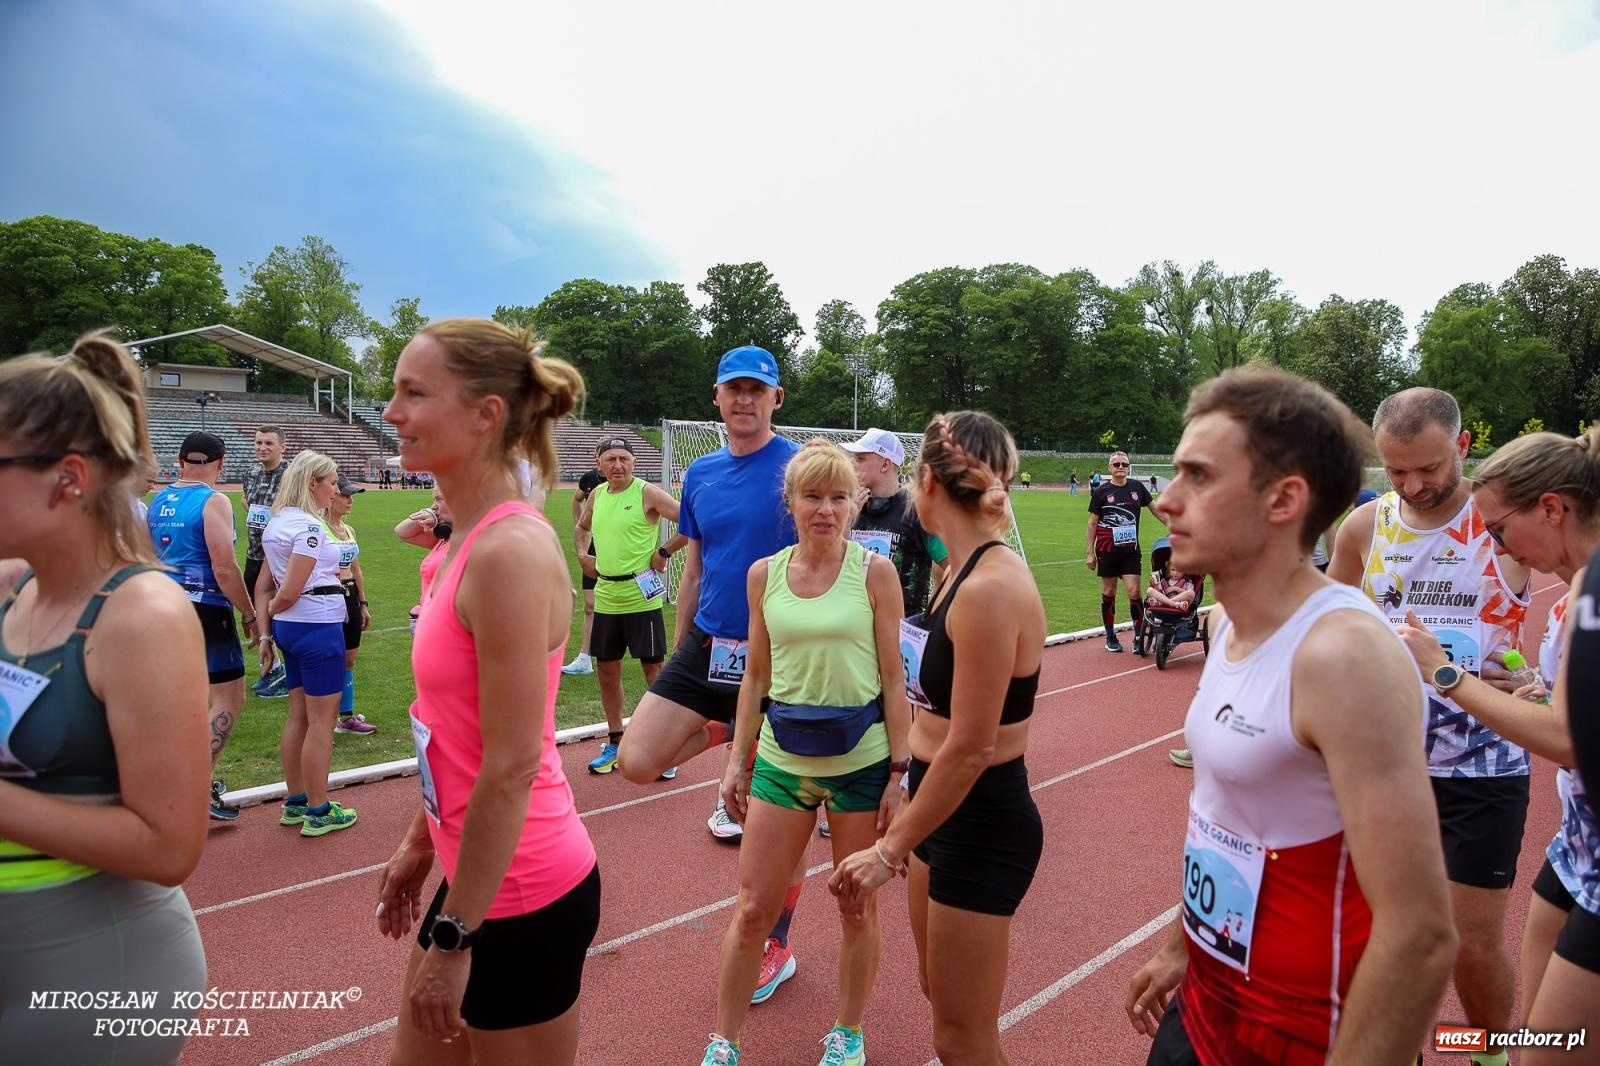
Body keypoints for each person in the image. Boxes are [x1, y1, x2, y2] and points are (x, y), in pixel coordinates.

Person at [1124, 366, 1457, 1065]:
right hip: (1209, 998)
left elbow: (1421, 933)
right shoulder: (1229, 625)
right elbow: (1227, 818)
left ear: (1284, 499)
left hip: (1308, 1029)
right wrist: (1180, 943)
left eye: (1198, 477)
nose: (1165, 501)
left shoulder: (1342, 656)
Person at [375, 318, 598, 1066]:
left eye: (413, 392)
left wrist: (454, 934)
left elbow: (509, 764)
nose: (391, 411)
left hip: (522, 892)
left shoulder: (509, 550)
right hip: (473, 873)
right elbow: (451, 728)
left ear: (485, 415)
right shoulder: (458, 545)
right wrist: (417, 842)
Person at [0, 331, 209, 1063]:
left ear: (67, 479)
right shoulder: (11, 589)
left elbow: (169, 844)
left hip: (94, 966)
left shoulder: (140, 617)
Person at [830, 411, 1046, 1066]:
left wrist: (888, 850)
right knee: (936, 995)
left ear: (926, 480)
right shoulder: (958, 568)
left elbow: (974, 745)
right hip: (938, 804)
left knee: (962, 1036)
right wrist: (903, 783)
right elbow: (935, 715)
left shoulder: (990, 587)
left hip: (980, 817)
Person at [1327, 388, 1532, 1058]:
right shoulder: (1364, 527)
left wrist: (1539, 676)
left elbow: (1577, 591)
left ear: (1463, 447)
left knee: (1471, 944)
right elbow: (1330, 621)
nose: (1414, 485)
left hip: (1484, 762)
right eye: (1397, 471)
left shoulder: (1508, 522)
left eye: (1430, 468)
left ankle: (1489, 1050)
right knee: (1378, 933)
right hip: (1385, 763)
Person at [1388, 429, 1600, 1064]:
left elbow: (1571, 741)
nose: (1498, 547)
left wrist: (1445, 675)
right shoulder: (1575, 595)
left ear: (1553, 509)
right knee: (1537, 1034)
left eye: (1501, 530)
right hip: (1577, 848)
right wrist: (1538, 690)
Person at [702, 440, 911, 1066]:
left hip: (863, 763)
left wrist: (899, 773)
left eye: (838, 497)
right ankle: (724, 1041)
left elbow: (895, 679)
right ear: (790, 502)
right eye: (812, 496)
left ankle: (847, 1032)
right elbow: (756, 679)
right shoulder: (763, 574)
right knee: (751, 912)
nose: (825, 509)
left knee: (856, 906)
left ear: (855, 504)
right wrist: (736, 760)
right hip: (781, 763)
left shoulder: (875, 572)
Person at [616, 345, 806, 1005]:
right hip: (708, 645)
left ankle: (775, 944)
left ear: (776, 398)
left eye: (758, 389)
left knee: (771, 819)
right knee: (637, 759)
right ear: (717, 399)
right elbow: (694, 565)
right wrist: (680, 647)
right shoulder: (699, 474)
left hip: (782, 655)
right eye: (734, 389)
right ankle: (733, 728)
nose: (745, 400)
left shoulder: (800, 468)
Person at [146, 430, 260, 819]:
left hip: (164, 606)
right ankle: (195, 787)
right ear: (221, 463)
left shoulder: (157, 499)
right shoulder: (214, 501)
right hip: (205, 607)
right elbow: (224, 567)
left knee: (184, 700)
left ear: (179, 461)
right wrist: (249, 613)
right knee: (228, 698)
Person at [258, 450, 357, 838]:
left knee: (299, 715)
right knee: (321, 722)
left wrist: (269, 627)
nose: (335, 490)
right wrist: (278, 606)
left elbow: (267, 583)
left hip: (292, 629)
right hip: (317, 626)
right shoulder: (309, 528)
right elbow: (289, 589)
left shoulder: (277, 521)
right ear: (312, 483)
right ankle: (318, 809)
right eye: (331, 482)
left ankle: (297, 800)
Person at [574, 436, 685, 775]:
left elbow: (691, 521)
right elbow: (582, 526)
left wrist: (664, 552)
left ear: (634, 463)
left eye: (623, 458)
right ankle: (616, 740)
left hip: (641, 598)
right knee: (608, 672)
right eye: (610, 459)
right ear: (599, 464)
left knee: (654, 671)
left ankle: (664, 748)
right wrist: (582, 555)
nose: (617, 465)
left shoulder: (646, 492)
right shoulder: (597, 494)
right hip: (608, 597)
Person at [841, 427, 948, 617]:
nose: (854, 465)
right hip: (855, 624)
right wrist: (846, 521)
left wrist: (933, 617)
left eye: (861, 459)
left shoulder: (917, 511)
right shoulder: (851, 506)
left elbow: (954, 565)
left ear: (885, 464)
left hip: (903, 630)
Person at [1086, 450, 1155, 653]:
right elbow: (1092, 523)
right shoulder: (1101, 492)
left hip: (1130, 551)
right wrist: (1089, 553)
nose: (1120, 468)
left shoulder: (1137, 488)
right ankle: (1110, 636)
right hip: (1107, 550)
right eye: (1116, 464)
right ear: (1110, 468)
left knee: (1134, 592)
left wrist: (1174, 525)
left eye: (1124, 464)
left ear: (1128, 467)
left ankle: (1138, 636)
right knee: (1109, 592)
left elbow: (1155, 508)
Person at [325, 472, 375, 735]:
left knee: (349, 660)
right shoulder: (318, 527)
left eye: (351, 496)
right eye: (345, 495)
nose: (349, 500)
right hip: (329, 595)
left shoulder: (349, 529)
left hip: (351, 596)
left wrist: (363, 603)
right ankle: (326, 717)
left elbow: (357, 570)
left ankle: (346, 717)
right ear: (330, 496)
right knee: (330, 659)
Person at [562, 453, 606, 677]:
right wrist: (580, 526)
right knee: (590, 605)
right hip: (592, 547)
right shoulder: (589, 480)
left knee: (619, 608)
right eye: (601, 456)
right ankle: (584, 658)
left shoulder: (631, 486)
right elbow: (576, 498)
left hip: (617, 552)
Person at [397, 485, 453, 633]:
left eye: (439, 499)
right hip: (427, 619)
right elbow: (402, 531)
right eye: (433, 499)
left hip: (443, 623)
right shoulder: (443, 538)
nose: (434, 506)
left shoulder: (468, 540)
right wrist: (431, 515)